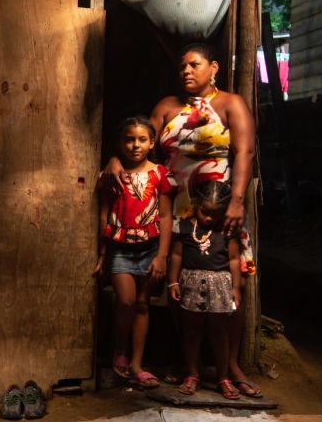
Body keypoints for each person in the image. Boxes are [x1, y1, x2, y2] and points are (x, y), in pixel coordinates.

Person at [101, 42, 260, 396]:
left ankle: (230, 364)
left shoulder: (231, 103)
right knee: (179, 286)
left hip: (219, 208)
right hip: (176, 208)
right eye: (181, 67)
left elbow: (245, 151)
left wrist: (236, 200)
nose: (186, 71)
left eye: (194, 64)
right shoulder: (167, 107)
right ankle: (187, 363)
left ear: (213, 67)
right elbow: (137, 144)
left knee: (233, 285)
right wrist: (114, 160)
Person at [92, 117, 174, 389]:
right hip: (119, 248)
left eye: (141, 140)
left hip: (150, 248)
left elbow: (165, 216)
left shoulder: (161, 174)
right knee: (125, 301)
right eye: (129, 139)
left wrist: (162, 256)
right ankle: (120, 350)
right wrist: (103, 252)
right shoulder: (111, 174)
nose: (135, 145)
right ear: (120, 143)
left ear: (152, 143)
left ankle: (137, 364)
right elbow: (104, 211)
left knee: (142, 304)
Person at [167, 180, 242, 399]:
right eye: (204, 211)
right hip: (190, 283)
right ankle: (192, 374)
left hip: (220, 286)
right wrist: (173, 281)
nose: (209, 218)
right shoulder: (184, 227)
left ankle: (223, 378)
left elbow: (235, 260)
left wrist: (236, 288)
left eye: (215, 214)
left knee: (219, 333)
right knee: (191, 331)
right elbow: (177, 256)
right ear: (196, 204)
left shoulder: (227, 230)